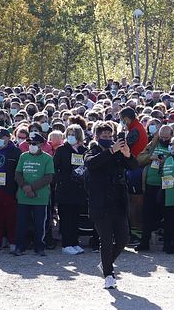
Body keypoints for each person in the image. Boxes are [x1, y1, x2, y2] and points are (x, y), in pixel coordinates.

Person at [84, 121, 136, 289]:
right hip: (100, 204)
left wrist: (127, 154)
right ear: (97, 137)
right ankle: (109, 274)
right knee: (105, 240)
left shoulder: (118, 152)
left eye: (109, 136)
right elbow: (92, 164)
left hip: (118, 202)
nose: (107, 139)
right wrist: (111, 150)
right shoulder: (92, 151)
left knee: (122, 239)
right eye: (103, 136)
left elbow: (133, 166)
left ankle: (106, 263)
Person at [14, 133, 54, 256]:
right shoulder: (23, 156)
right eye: (30, 143)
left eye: (34, 143)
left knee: (40, 223)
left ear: (41, 144)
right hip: (23, 196)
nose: (31, 145)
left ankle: (39, 247)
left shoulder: (47, 158)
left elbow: (48, 177)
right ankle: (20, 247)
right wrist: (25, 187)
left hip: (40, 197)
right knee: (21, 223)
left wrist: (31, 188)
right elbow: (18, 174)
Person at [53, 125, 88, 254]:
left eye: (73, 134)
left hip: (79, 188)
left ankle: (74, 242)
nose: (71, 136)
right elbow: (55, 167)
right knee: (66, 217)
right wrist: (59, 180)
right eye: (69, 134)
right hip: (65, 188)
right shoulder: (62, 150)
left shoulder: (84, 150)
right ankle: (66, 244)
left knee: (75, 217)